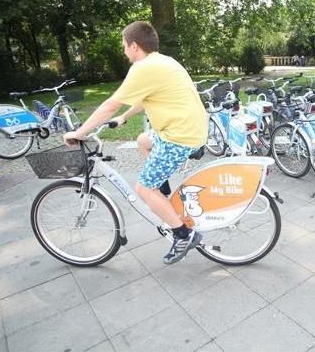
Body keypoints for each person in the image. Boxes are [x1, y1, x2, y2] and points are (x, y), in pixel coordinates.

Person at [63, 21, 208, 264]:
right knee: (143, 140)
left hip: (179, 137)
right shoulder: (162, 61)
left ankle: (183, 234)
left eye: (124, 46)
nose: (123, 51)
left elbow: (110, 104)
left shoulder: (143, 68)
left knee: (143, 189)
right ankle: (164, 198)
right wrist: (124, 117)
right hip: (189, 129)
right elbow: (145, 97)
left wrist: (79, 132)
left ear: (134, 45)